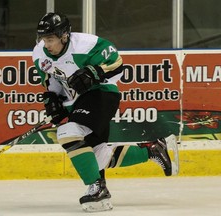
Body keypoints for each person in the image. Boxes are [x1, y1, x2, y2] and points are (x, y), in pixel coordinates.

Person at [32, 12, 179, 212]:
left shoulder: (86, 45)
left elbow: (117, 63)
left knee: (68, 133)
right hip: (77, 100)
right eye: (43, 39)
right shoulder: (39, 54)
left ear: (64, 35)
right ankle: (152, 150)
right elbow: (52, 82)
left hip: (102, 94)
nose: (46, 44)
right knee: (96, 154)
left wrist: (94, 72)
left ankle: (97, 189)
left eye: (50, 39)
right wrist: (53, 99)